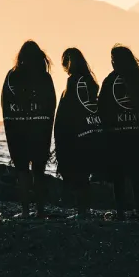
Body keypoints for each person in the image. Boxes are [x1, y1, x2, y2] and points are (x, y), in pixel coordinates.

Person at [99, 45, 139, 218]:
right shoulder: (138, 80)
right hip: (137, 135)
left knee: (118, 176)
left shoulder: (110, 81)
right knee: (138, 175)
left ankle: (121, 211)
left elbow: (101, 107)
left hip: (116, 136)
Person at [2, 40, 57, 218]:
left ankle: (25, 211)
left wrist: (11, 128)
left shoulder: (11, 76)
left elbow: (5, 105)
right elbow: (51, 105)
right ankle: (40, 210)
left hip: (17, 133)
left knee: (22, 172)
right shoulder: (44, 77)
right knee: (39, 172)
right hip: (40, 132)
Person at [54, 48, 103, 218]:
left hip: (78, 135)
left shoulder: (73, 82)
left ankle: (82, 211)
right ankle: (85, 210)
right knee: (85, 174)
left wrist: (61, 139)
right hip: (93, 133)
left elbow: (67, 112)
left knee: (78, 173)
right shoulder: (90, 81)